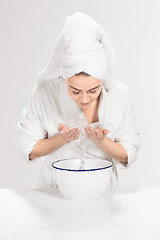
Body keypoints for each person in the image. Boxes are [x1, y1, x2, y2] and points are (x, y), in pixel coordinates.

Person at [16, 12, 141, 188]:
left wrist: (101, 142)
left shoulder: (120, 96)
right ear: (63, 78)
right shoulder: (45, 93)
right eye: (75, 91)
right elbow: (26, 146)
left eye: (93, 90)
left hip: (102, 192)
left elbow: (130, 151)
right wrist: (62, 139)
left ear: (102, 81)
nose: (84, 99)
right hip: (53, 191)